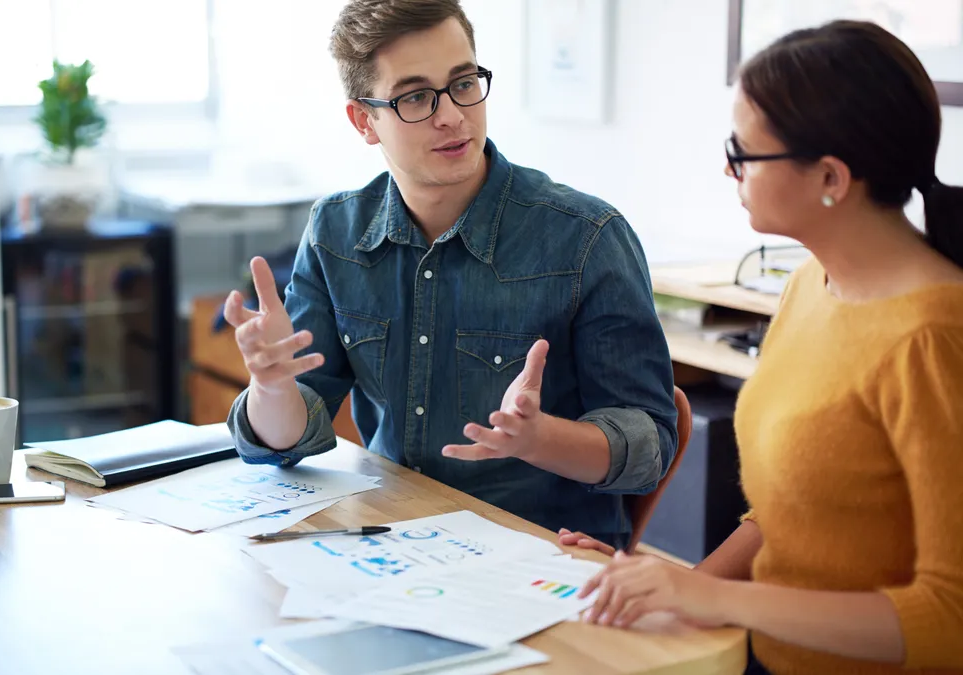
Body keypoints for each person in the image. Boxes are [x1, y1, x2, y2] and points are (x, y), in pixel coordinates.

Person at [560, 20, 963, 675]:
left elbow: (950, 620)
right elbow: (786, 511)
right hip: (763, 656)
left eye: (742, 151)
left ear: (831, 175)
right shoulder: (811, 285)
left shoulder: (934, 338)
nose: (728, 167)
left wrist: (717, 595)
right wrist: (662, 588)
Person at [222, 0, 677, 547]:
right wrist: (271, 387)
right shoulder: (335, 232)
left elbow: (648, 447)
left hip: (541, 556)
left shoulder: (586, 237)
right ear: (365, 120)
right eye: (416, 96)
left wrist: (539, 439)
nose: (453, 115)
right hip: (391, 542)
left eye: (464, 83)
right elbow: (287, 443)